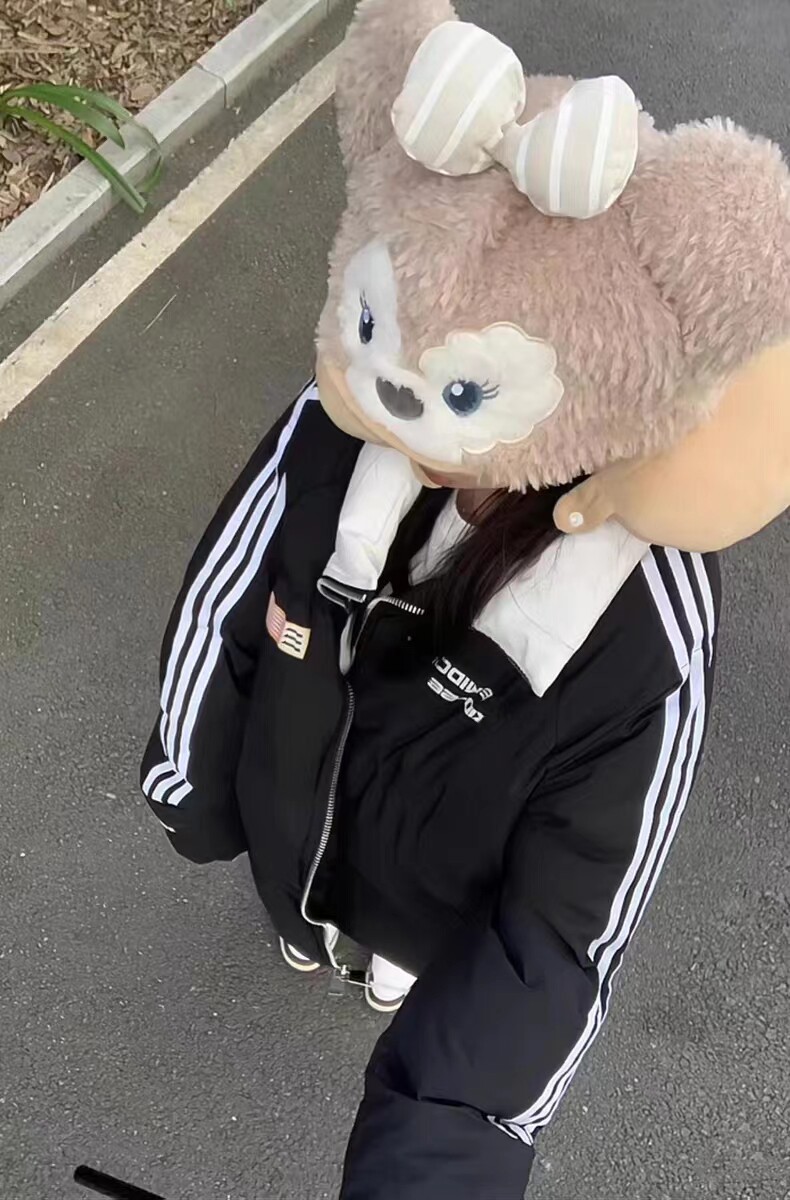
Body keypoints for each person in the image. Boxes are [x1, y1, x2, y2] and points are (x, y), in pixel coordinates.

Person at [141, 2, 790, 1195]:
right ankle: (308, 926)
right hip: (293, 801)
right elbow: (225, 586)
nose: (409, 422)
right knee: (299, 913)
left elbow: (561, 936)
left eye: (465, 395)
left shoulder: (640, 616)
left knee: (416, 971)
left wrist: (442, 1156)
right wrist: (189, 779)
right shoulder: (337, 428)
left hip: (441, 898)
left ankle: (384, 958)